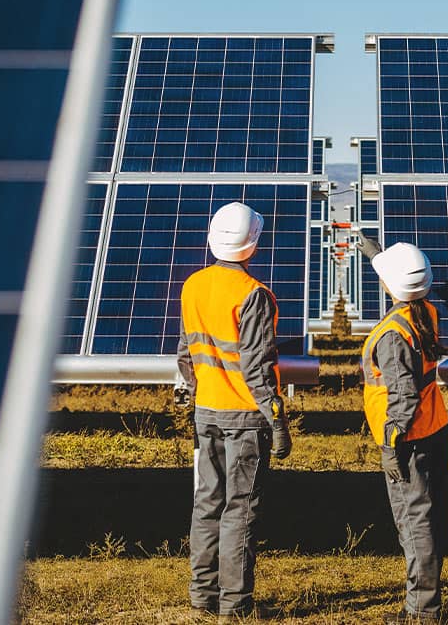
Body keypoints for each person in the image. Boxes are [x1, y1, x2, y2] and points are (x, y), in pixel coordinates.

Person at [176, 201, 292, 620]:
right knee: (239, 511)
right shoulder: (253, 295)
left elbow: (186, 352)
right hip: (244, 418)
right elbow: (258, 367)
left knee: (206, 503)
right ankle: (235, 605)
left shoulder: (193, 285)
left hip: (206, 411)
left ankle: (201, 596)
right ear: (252, 245)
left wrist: (197, 391)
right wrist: (277, 420)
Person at [356, 231, 448, 624]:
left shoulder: (393, 335)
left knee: (414, 522)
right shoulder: (425, 311)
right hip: (432, 427)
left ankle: (422, 612)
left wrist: (390, 445)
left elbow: (403, 395)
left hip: (407, 439)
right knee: (425, 516)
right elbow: (404, 281)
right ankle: (424, 603)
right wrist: (377, 255)